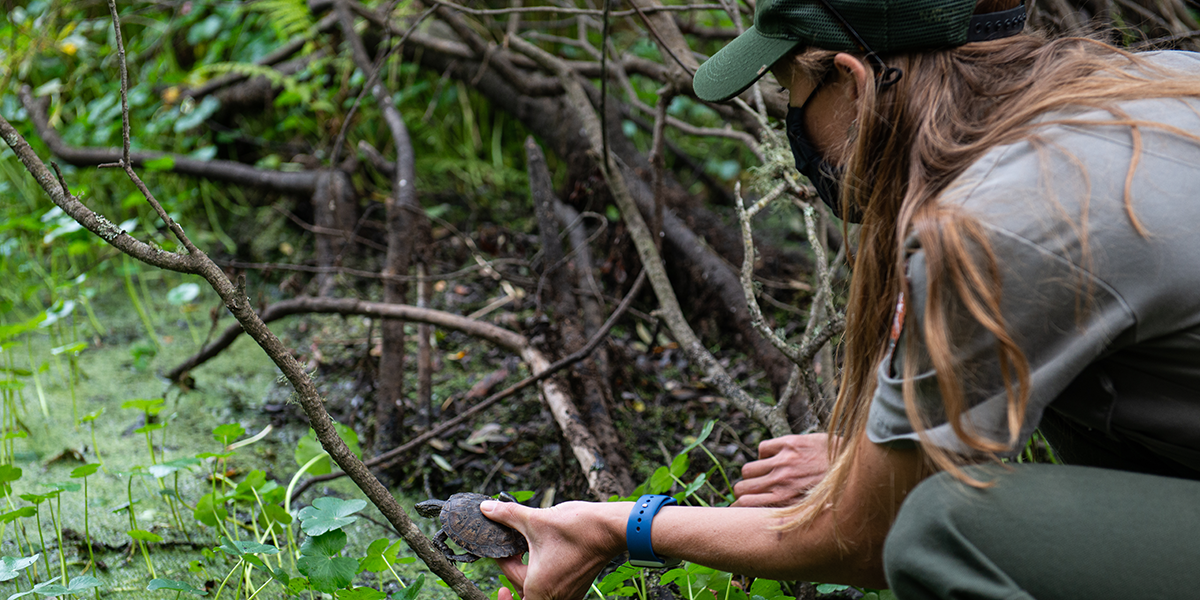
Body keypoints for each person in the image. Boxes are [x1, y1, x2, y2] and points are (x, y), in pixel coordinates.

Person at [479, 0, 1200, 597]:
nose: (795, 128)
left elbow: (860, 540)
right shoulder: (1163, 82)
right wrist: (877, 463)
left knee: (940, 526)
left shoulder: (1004, 223)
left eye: (795, 95)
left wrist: (616, 525)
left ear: (856, 82)